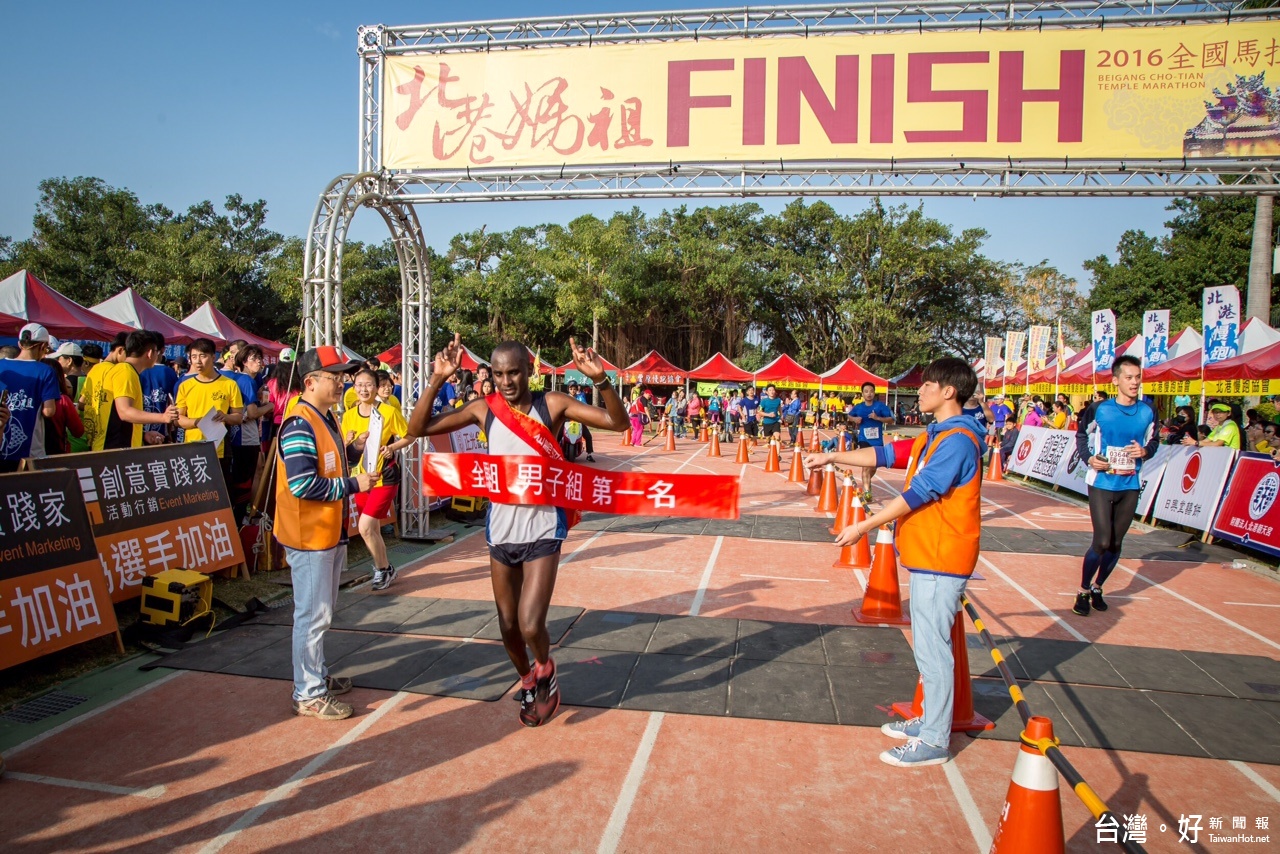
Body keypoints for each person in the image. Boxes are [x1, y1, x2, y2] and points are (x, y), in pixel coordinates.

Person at [405, 335, 627, 727]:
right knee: (507, 626)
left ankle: (546, 667)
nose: (507, 381)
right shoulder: (483, 410)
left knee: (529, 623)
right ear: (491, 373)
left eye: (514, 373)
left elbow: (616, 423)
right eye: (499, 373)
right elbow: (418, 426)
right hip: (500, 530)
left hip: (543, 527)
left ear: (530, 371)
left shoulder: (551, 404)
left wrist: (601, 381)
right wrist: (438, 378)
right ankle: (528, 680)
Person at [805, 357, 985, 768]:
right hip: (927, 555)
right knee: (926, 645)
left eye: (926, 386)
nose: (918, 391)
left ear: (948, 392)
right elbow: (885, 453)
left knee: (934, 651)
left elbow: (920, 492)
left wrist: (862, 526)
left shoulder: (957, 441)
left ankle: (935, 740)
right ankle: (930, 722)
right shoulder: (935, 435)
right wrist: (833, 459)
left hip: (944, 557)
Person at [275, 346, 376, 720]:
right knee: (313, 615)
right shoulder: (300, 422)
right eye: (335, 377)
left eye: (342, 376)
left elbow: (326, 464)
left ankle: (315, 677)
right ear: (310, 382)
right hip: (309, 535)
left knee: (321, 613)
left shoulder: (325, 418)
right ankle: (308, 692)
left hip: (326, 534)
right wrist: (354, 484)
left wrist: (351, 451)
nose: (343, 383)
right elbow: (303, 485)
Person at [1072, 355, 1158, 617]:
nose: (1134, 383)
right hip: (1101, 481)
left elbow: (1154, 442)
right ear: (1116, 380)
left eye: (1137, 377)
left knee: (1116, 543)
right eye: (1129, 378)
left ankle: (1098, 587)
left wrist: (1143, 452)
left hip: (1130, 482)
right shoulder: (1100, 409)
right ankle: (1083, 590)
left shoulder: (1148, 411)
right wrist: (1090, 459)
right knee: (1102, 540)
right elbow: (1081, 434)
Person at [343, 368, 414, 590]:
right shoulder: (348, 415)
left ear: (376, 387)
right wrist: (351, 442)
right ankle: (386, 569)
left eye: (369, 385)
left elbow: (409, 435)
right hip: (361, 479)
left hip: (385, 477)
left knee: (365, 527)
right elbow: (346, 449)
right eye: (360, 385)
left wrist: (391, 447)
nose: (364, 389)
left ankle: (381, 569)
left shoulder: (388, 412)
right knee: (371, 529)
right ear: (354, 388)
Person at [90, 331, 179, 451]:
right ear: (150, 353)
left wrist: (143, 435)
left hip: (116, 447)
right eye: (157, 352)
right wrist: (163, 417)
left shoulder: (126, 371)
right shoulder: (126, 372)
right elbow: (124, 412)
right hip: (114, 450)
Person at [176, 338, 244, 482]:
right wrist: (197, 422)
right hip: (192, 448)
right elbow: (178, 419)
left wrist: (225, 417)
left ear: (213, 357)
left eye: (203, 356)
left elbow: (238, 417)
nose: (198, 361)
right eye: (193, 357)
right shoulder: (185, 386)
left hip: (220, 449)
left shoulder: (229, 385)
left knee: (219, 492)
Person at [0, 324, 61, 471]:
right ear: (43, 346)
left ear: (20, 344)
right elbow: (49, 411)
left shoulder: (2, 366)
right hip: (30, 450)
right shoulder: (46, 371)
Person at [849, 382, 895, 505]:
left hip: (877, 441)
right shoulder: (858, 407)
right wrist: (855, 419)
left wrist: (878, 418)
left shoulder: (880, 406)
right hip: (864, 439)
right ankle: (867, 491)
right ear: (862, 394)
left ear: (874, 393)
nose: (869, 394)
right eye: (866, 391)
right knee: (865, 465)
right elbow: (849, 416)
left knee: (873, 467)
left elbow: (891, 420)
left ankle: (867, 483)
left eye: (871, 391)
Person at [79, 332, 127, 448]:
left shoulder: (94, 370)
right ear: (120, 350)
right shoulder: (118, 371)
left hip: (92, 439)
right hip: (109, 440)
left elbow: (81, 403)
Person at [140, 332, 179, 445]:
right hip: (162, 433)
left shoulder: (137, 371)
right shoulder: (169, 373)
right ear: (163, 349)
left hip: (138, 431)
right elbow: (173, 404)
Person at [41, 357, 84, 455]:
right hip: (56, 453)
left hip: (29, 452)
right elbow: (78, 431)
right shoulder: (63, 400)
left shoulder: (29, 398)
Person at [565, 381, 596, 462]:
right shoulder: (565, 398)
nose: (573, 390)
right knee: (558, 435)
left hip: (579, 421)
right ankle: (555, 452)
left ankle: (589, 454)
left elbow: (585, 408)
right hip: (566, 421)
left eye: (574, 389)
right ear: (568, 389)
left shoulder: (580, 398)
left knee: (588, 436)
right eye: (571, 389)